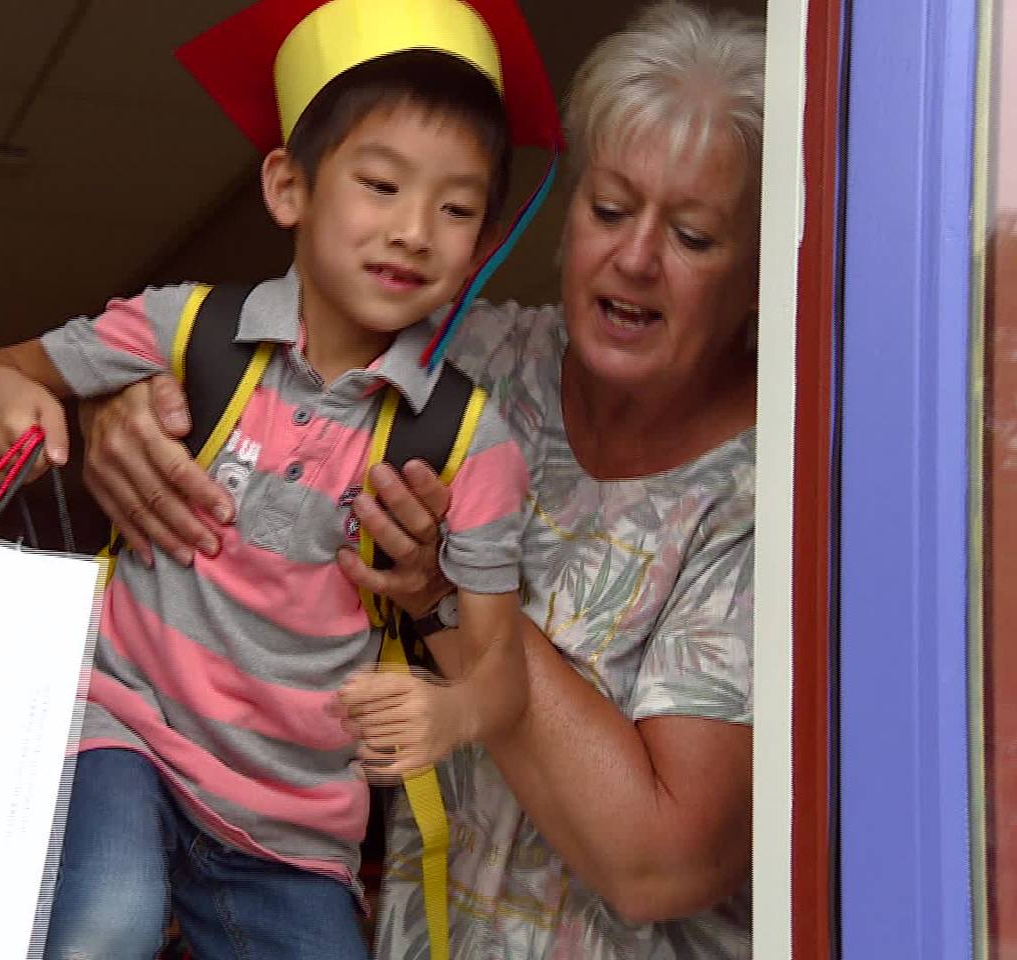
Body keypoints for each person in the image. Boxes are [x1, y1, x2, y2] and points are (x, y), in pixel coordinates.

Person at [71, 2, 763, 956]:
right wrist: (123, 410)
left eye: (692, 236)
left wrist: (448, 597)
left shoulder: (782, 492)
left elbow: (663, 863)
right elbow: (252, 368)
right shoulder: (462, 358)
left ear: (765, 269)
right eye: (609, 210)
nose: (636, 258)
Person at [0, 1, 567, 957]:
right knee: (104, 927)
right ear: (290, 187)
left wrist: (453, 713)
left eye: (456, 208)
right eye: (380, 185)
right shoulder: (187, 328)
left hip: (292, 828)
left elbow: (497, 672)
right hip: (126, 728)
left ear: (483, 242)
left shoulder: (469, 439)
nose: (414, 230)